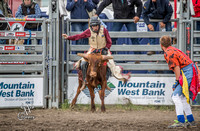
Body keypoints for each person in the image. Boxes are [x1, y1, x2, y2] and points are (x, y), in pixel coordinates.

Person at [63, 16, 130, 88]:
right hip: (93, 50)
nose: (95, 27)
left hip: (104, 49)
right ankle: (85, 80)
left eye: (96, 25)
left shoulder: (104, 30)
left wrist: (106, 48)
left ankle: (119, 78)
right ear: (91, 26)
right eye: (93, 26)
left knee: (111, 65)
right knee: (82, 63)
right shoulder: (88, 31)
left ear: (99, 25)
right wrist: (68, 37)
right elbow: (79, 36)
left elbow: (109, 41)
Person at [160, 35, 199, 128]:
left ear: (161, 45)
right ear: (170, 43)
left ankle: (181, 121)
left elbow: (176, 68)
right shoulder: (173, 49)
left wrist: (177, 81)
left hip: (187, 72)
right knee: (182, 97)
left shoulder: (168, 53)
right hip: (191, 70)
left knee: (175, 96)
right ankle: (190, 120)